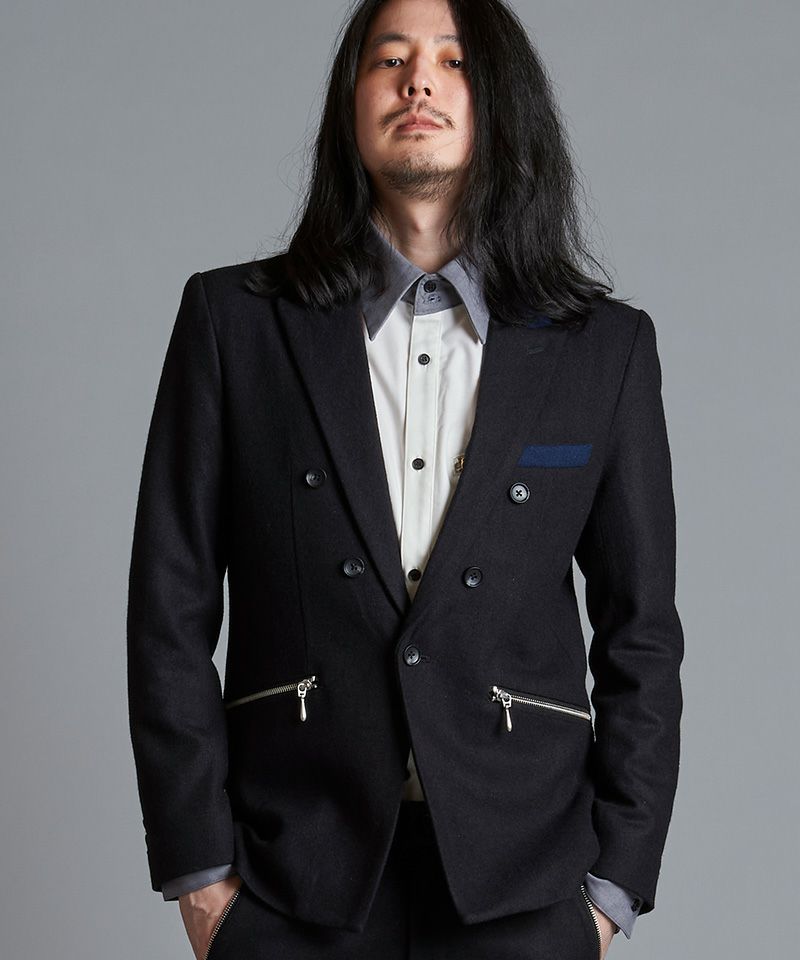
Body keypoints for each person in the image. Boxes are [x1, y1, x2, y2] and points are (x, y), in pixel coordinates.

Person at [126, 1, 684, 957]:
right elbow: (167, 607)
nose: (418, 80)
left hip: (528, 884)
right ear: (350, 103)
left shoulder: (605, 349)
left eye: (453, 61)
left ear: (501, 101)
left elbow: (642, 632)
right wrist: (201, 878)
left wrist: (613, 887)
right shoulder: (235, 323)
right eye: (390, 59)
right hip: (290, 875)